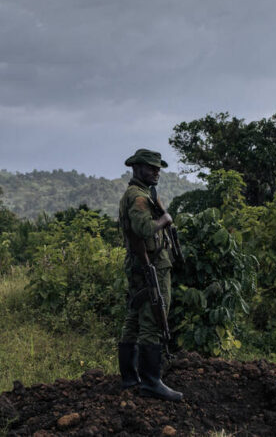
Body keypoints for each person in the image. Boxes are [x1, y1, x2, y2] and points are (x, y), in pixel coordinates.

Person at [117, 149, 183, 401]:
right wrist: (165, 220)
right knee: (152, 319)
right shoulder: (139, 197)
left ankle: (130, 378)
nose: (157, 171)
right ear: (137, 168)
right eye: (151, 167)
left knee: (134, 318)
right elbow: (144, 229)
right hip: (149, 265)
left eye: (158, 168)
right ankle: (151, 382)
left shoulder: (141, 194)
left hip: (140, 264)